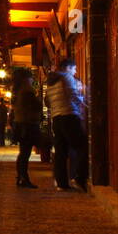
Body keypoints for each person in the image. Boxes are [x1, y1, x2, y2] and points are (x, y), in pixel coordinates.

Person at [45, 57, 88, 191]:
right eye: (74, 69)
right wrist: (85, 105)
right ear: (68, 68)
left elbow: (47, 102)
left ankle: (62, 184)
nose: (75, 72)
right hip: (69, 116)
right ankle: (80, 179)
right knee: (83, 147)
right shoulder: (67, 77)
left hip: (56, 119)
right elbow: (73, 95)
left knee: (60, 152)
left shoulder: (51, 82)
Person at [10, 67, 41, 188]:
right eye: (30, 77)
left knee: (23, 153)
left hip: (20, 124)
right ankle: (24, 178)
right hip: (28, 124)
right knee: (25, 153)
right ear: (26, 79)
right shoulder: (27, 91)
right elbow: (36, 107)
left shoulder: (17, 91)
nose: (32, 79)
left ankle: (21, 177)